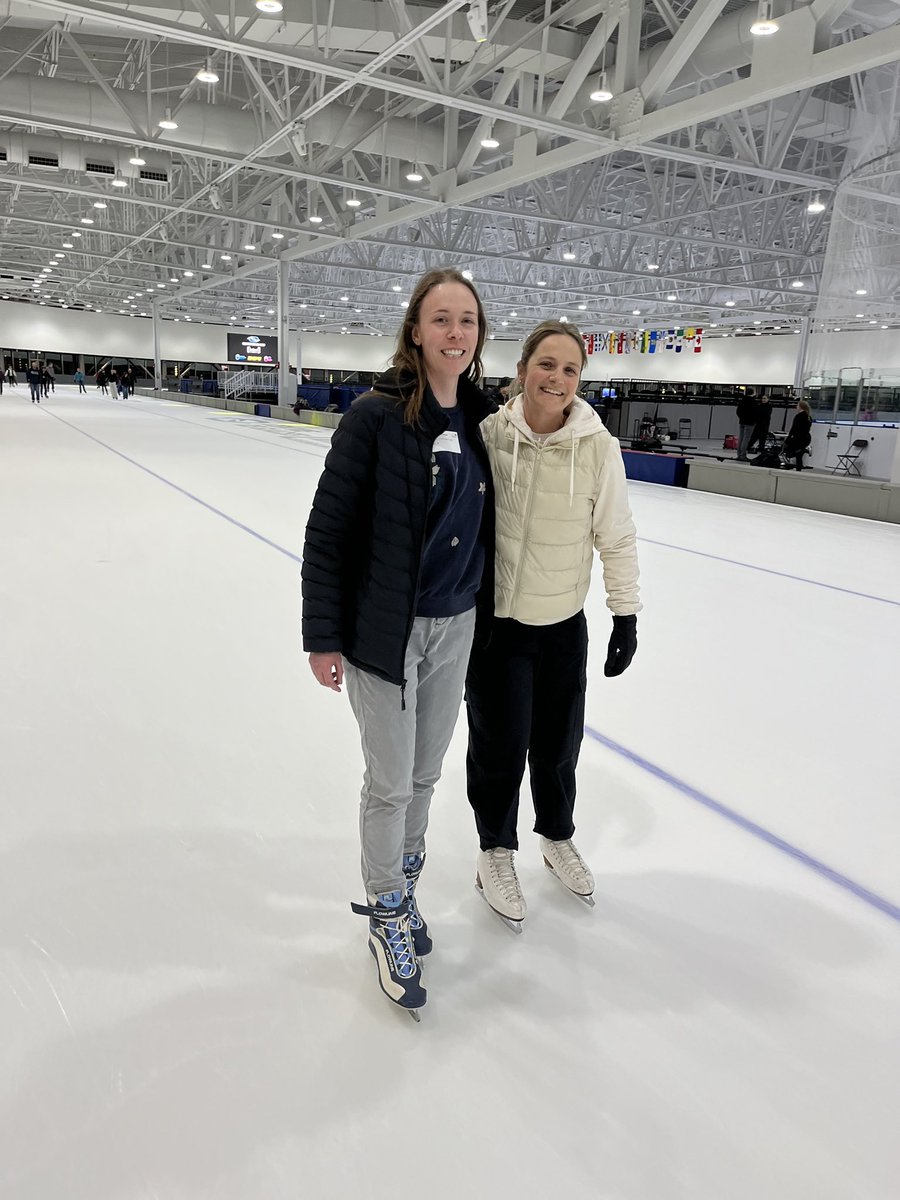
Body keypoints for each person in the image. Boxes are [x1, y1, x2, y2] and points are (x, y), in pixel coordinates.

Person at [301, 268, 495, 1020]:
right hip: (383, 629)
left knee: (423, 775)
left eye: (467, 321)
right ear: (415, 330)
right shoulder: (374, 418)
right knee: (388, 782)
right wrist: (323, 636)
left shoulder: (485, 418)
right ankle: (385, 910)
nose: (454, 333)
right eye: (441, 319)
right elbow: (329, 531)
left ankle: (406, 891)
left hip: (458, 623)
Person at [465, 320, 641, 929]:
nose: (557, 379)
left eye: (570, 369)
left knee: (559, 746)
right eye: (546, 364)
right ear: (522, 370)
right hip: (500, 628)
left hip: (564, 625)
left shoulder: (598, 447)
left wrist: (626, 613)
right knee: (499, 746)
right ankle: (495, 849)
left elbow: (615, 534)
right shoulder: (488, 434)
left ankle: (556, 836)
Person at [783, 398, 813, 470]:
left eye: (797, 405)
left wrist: (788, 439)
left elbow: (794, 428)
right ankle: (798, 469)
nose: (796, 407)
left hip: (798, 438)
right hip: (806, 438)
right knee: (799, 456)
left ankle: (794, 467)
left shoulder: (799, 416)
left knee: (790, 452)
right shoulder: (809, 417)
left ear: (800, 407)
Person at [735, 392, 758, 461]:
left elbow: (738, 411)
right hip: (750, 423)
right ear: (753, 393)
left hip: (742, 422)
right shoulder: (753, 401)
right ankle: (743, 455)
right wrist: (754, 420)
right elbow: (755, 412)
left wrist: (741, 418)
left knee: (741, 439)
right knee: (746, 439)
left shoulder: (742, 400)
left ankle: (739, 454)